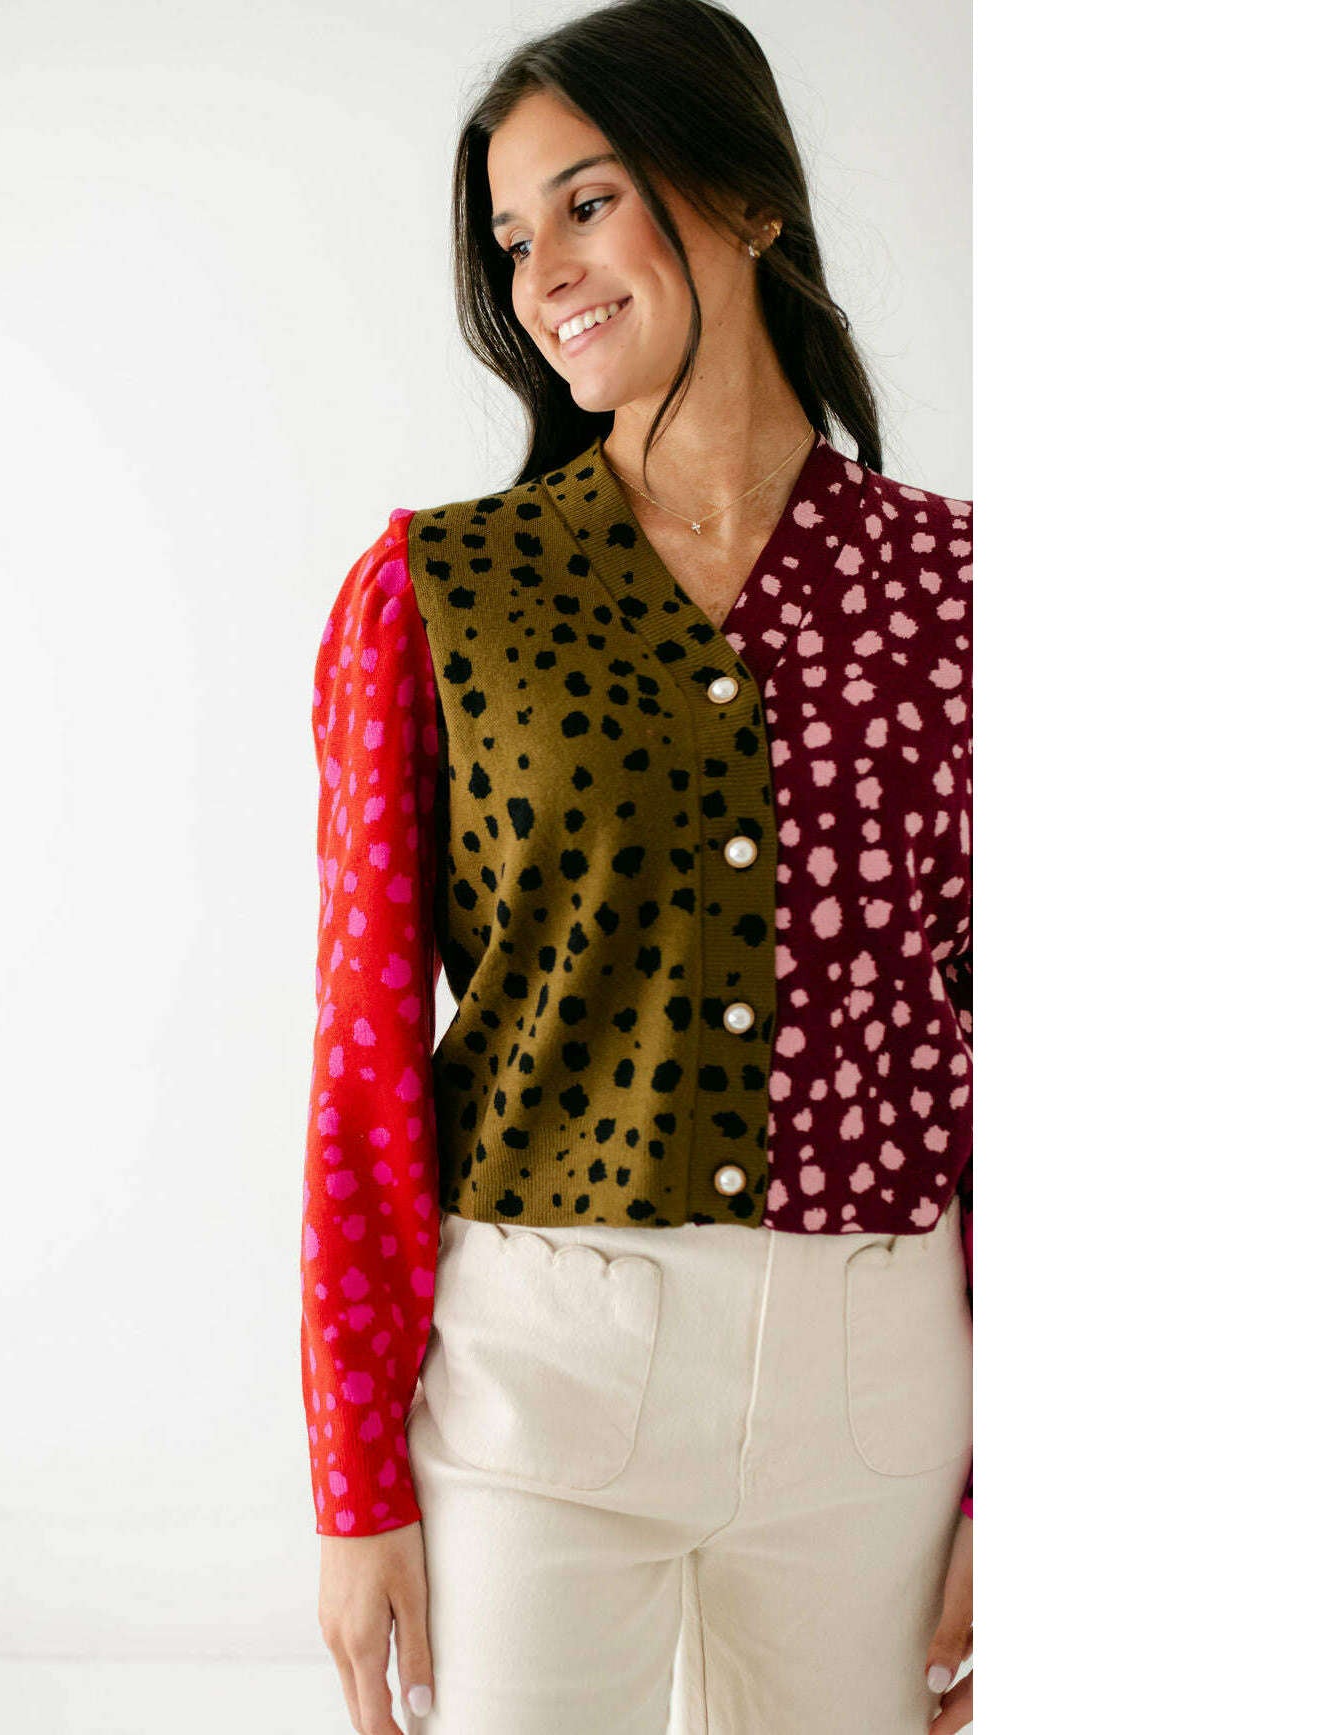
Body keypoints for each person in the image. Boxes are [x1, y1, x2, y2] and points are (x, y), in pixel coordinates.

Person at [300, 2, 972, 1730]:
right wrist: (355, 1484)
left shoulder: (963, 594)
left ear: (745, 196)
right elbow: (365, 1057)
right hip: (542, 1378)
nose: (544, 275)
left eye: (588, 203)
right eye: (512, 237)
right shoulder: (439, 596)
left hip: (882, 1386)